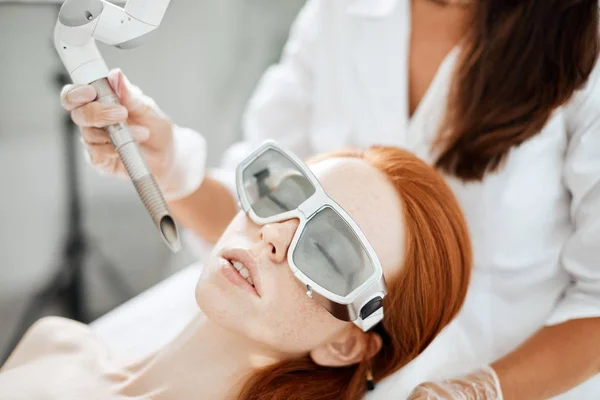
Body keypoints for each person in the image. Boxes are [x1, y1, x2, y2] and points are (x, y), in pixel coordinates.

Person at [59, 0, 600, 398]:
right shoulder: (339, 13)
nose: (276, 235)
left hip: (517, 370)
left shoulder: (583, 45)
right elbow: (261, 217)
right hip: (281, 341)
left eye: (333, 256)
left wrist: (481, 390)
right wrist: (170, 165)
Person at [0, 144, 473, 400]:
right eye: (286, 197)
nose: (273, 235)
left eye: (329, 253)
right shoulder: (55, 344)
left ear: (345, 344)